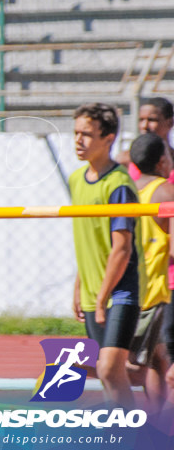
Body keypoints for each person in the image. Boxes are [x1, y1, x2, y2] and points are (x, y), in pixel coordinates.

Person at [69, 102, 144, 409]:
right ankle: (127, 431)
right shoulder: (76, 180)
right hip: (91, 289)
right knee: (109, 374)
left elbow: (122, 248)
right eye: (76, 133)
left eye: (86, 134)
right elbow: (86, 238)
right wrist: (78, 286)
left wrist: (101, 298)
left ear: (108, 138)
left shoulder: (119, 184)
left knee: (109, 368)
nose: (78, 140)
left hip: (119, 291)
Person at [129, 132, 174, 411]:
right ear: (161, 162)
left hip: (133, 284)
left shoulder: (128, 190)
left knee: (157, 359)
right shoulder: (165, 192)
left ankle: (157, 417)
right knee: (134, 365)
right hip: (160, 287)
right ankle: (77, 365)